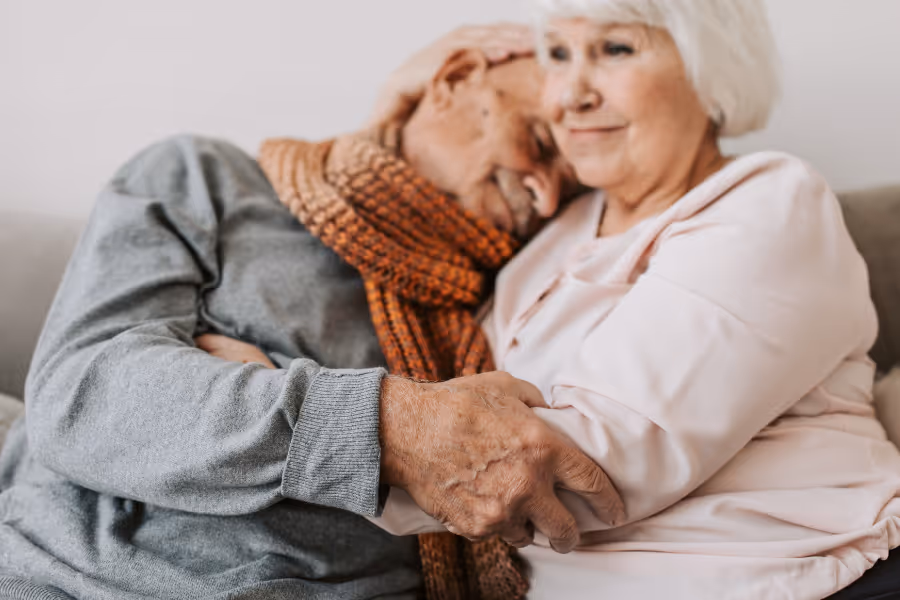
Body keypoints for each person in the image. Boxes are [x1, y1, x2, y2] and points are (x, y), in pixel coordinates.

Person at [0, 30, 624, 600]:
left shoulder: (514, 301)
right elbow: (83, 397)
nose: (543, 195)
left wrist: (237, 390)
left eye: (567, 193)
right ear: (457, 79)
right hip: (74, 577)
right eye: (539, 144)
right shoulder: (207, 178)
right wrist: (391, 427)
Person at [354, 1, 900, 598]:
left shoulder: (770, 204)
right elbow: (372, 218)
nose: (571, 95)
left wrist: (334, 442)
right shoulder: (553, 231)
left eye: (615, 50)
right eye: (558, 55)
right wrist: (392, 102)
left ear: (710, 71)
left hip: (792, 576)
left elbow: (589, 467)